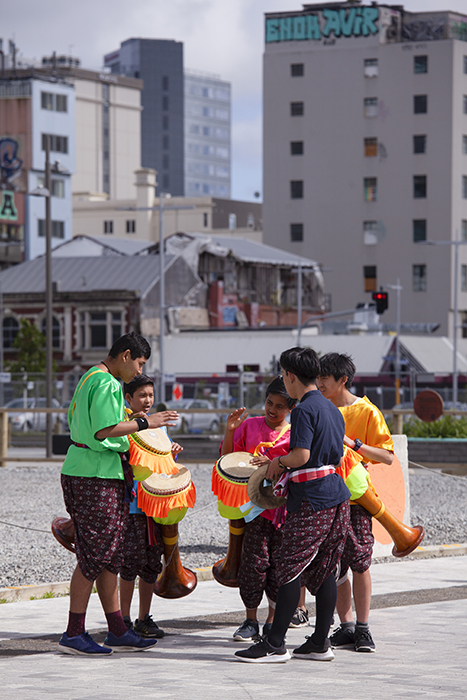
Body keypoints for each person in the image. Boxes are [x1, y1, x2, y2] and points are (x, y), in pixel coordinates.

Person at [59, 332, 179, 656]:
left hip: (90, 470)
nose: (139, 372)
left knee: (109, 556)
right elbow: (103, 431)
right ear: (126, 355)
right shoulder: (108, 383)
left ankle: (117, 629)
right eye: (139, 363)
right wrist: (145, 423)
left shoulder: (91, 376)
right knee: (95, 555)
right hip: (94, 475)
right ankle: (74, 632)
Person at [235, 347, 350, 663]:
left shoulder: (302, 410)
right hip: (337, 496)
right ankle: (319, 641)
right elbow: (337, 457)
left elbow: (300, 456)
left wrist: (277, 462)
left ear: (290, 375)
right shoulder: (331, 409)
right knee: (326, 567)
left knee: (288, 567)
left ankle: (274, 643)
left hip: (312, 498)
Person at [318, 352, 394, 653]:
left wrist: (355, 445)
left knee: (360, 561)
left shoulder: (367, 411)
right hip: (324, 496)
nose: (320, 383)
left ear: (342, 380)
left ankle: (363, 628)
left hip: (357, 498)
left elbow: (388, 456)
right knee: (333, 565)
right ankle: (346, 625)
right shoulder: (318, 408)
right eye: (318, 377)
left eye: (326, 378)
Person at [221, 377, 296, 642]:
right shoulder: (250, 425)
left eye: (279, 406)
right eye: (268, 403)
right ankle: (250, 620)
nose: (272, 410)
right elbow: (227, 460)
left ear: (290, 409)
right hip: (253, 511)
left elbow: (301, 462)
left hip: (284, 512)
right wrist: (230, 431)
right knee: (253, 565)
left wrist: (276, 462)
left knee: (279, 567)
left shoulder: (296, 431)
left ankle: (272, 622)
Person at [119, 374, 182, 639]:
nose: (147, 401)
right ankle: (121, 619)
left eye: (151, 395)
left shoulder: (160, 429)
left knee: (150, 563)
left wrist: (172, 454)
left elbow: (163, 467)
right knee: (128, 564)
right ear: (128, 398)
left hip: (154, 507)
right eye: (142, 395)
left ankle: (144, 618)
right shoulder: (123, 425)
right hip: (131, 507)